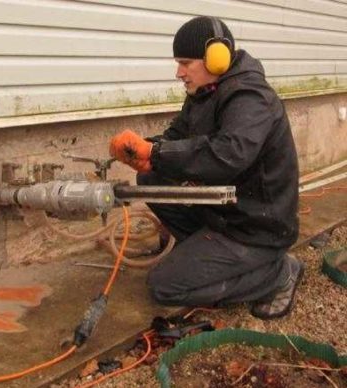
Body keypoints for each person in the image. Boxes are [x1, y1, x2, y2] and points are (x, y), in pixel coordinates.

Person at [109, 16, 303, 319]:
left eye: (185, 63)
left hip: (255, 228)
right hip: (227, 214)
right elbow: (174, 139)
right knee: (150, 175)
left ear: (217, 57)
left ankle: (278, 273)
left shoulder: (249, 97)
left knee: (164, 287)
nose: (179, 72)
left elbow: (230, 153)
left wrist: (157, 152)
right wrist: (142, 150)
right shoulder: (204, 93)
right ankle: (202, 255)